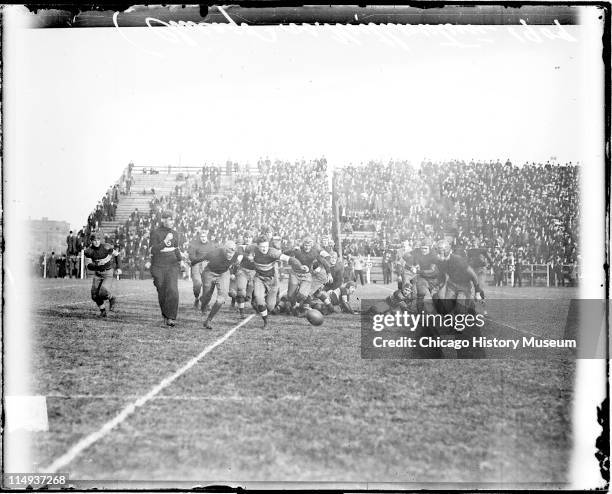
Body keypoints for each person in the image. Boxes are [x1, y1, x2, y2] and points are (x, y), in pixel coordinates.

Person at [247, 236, 302, 329]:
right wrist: (247, 255)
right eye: (262, 247)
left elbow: (289, 259)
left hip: (272, 281)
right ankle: (265, 322)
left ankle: (280, 301)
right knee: (259, 299)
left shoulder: (273, 252)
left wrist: (300, 266)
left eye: (266, 246)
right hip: (259, 278)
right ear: (257, 246)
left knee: (270, 307)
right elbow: (239, 249)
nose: (264, 249)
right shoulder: (253, 248)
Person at [192, 240, 241, 329]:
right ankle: (203, 306)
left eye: (232, 253)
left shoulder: (236, 254)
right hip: (209, 272)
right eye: (228, 252)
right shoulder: (215, 253)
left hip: (223, 273)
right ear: (224, 250)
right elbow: (201, 258)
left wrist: (233, 272)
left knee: (221, 299)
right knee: (207, 296)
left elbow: (239, 262)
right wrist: (191, 263)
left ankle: (208, 320)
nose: (230, 255)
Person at [149, 211, 185, 327]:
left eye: (172, 220)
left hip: (172, 265)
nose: (171, 222)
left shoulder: (175, 233)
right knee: (162, 290)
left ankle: (170, 317)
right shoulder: (155, 233)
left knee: (173, 290)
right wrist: (164, 242)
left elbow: (176, 249)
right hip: (158, 265)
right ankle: (165, 314)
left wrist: (181, 261)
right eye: (168, 219)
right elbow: (153, 250)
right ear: (163, 220)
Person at [84, 234, 121, 317]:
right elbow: (89, 266)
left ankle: (111, 298)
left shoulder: (106, 247)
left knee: (103, 293)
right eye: (94, 240)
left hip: (108, 272)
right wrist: (97, 266)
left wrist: (119, 267)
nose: (96, 242)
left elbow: (117, 255)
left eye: (98, 240)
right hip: (97, 273)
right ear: (91, 241)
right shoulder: (88, 251)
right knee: (94, 295)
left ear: (100, 240)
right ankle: (103, 311)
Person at [188, 228, 215, 309]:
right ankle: (196, 298)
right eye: (201, 236)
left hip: (207, 265)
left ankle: (205, 302)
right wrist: (201, 259)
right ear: (199, 237)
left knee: (207, 285)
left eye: (205, 236)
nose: (203, 238)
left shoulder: (211, 245)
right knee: (198, 283)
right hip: (196, 265)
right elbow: (191, 257)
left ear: (207, 237)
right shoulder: (194, 245)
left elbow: (214, 256)